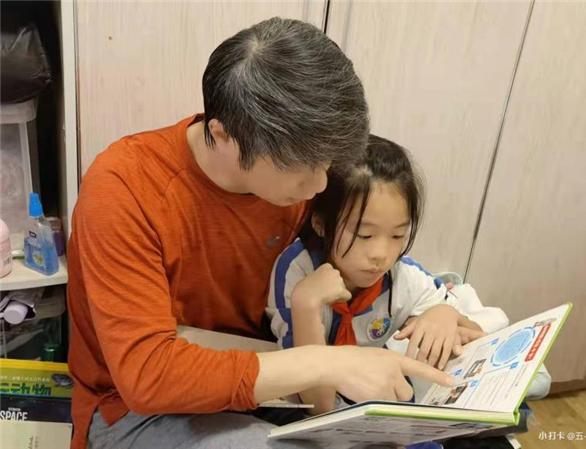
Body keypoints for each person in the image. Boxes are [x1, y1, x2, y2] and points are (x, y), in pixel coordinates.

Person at [67, 18, 453, 449]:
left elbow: (376, 255)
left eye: (327, 163)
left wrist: (442, 311)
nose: (321, 185)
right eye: (302, 167)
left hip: (274, 385)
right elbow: (148, 376)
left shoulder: (304, 177)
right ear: (223, 136)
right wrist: (324, 363)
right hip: (137, 409)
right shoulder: (125, 189)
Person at [267, 135, 486, 416]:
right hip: (304, 404)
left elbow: (476, 337)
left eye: (397, 235)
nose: (381, 255)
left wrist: (445, 314)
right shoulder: (297, 272)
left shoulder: (402, 276)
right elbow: (317, 404)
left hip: (374, 407)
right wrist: (306, 305)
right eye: (364, 235)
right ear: (322, 224)